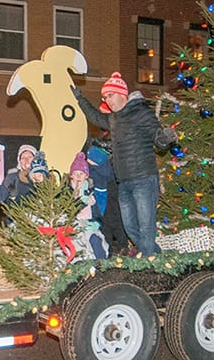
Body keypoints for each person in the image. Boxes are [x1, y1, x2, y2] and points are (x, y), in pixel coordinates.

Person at [73, 72, 177, 256]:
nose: (108, 100)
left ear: (122, 94)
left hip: (144, 179)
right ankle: (156, 256)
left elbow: (157, 138)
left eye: (110, 95)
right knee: (130, 227)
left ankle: (148, 264)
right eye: (105, 97)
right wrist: (80, 99)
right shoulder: (114, 119)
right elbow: (96, 117)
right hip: (124, 182)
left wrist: (165, 139)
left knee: (146, 227)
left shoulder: (141, 112)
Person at [86, 144, 129, 255]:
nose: (89, 163)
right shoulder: (97, 170)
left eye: (91, 160)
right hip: (100, 201)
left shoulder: (104, 171)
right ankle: (109, 249)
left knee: (115, 223)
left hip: (110, 200)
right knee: (105, 226)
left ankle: (122, 246)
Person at [68, 152, 108, 259]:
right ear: (71, 176)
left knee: (96, 240)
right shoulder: (66, 193)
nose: (78, 177)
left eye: (81, 174)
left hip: (90, 224)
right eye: (75, 173)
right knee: (78, 244)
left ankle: (102, 264)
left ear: (86, 176)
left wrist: (96, 223)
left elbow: (98, 212)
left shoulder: (91, 192)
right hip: (74, 227)